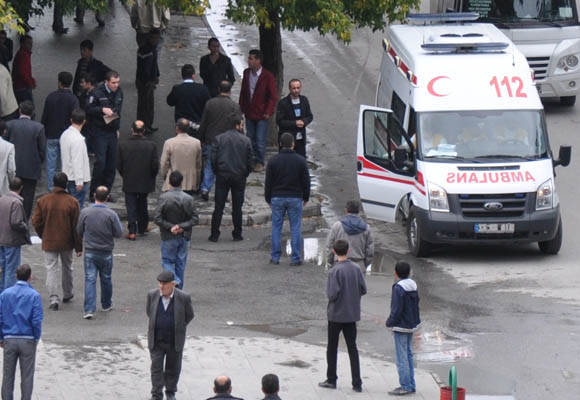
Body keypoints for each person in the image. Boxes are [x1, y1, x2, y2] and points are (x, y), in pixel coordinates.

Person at [319, 239, 367, 392]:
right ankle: (357, 383)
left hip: (336, 315)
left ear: (334, 252)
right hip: (351, 314)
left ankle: (332, 379)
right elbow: (363, 289)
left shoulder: (335, 271)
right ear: (347, 251)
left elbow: (332, 295)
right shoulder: (356, 268)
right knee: (352, 348)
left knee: (332, 347)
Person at [32, 172, 82, 311]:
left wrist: (43, 234)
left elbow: (36, 221)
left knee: (51, 268)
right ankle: (68, 293)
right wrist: (78, 246)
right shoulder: (72, 202)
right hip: (66, 241)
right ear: (66, 184)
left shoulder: (43, 201)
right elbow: (76, 227)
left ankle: (53, 298)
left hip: (49, 240)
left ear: (53, 183)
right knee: (68, 267)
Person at [76, 186, 123, 319]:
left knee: (90, 279)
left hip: (90, 250)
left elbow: (79, 230)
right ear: (107, 198)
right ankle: (106, 304)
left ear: (94, 195)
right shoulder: (111, 214)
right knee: (106, 278)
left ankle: (89, 309)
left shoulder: (85, 212)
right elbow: (119, 233)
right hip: (106, 251)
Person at [147, 270, 194, 400]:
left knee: (173, 368)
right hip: (157, 340)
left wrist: (178, 327)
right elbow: (149, 313)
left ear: (173, 284)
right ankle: (156, 394)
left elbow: (189, 315)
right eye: (159, 283)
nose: (161, 287)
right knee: (156, 368)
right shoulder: (152, 295)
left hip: (174, 341)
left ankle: (170, 392)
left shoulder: (184, 297)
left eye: (164, 284)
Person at [264, 133, 310, 266]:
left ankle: (275, 257)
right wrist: (306, 197)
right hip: (295, 197)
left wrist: (268, 198)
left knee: (276, 227)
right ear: (293, 144)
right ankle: (295, 258)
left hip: (277, 197)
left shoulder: (273, 161)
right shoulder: (300, 161)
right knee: (295, 227)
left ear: (280, 144)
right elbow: (306, 181)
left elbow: (268, 182)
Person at [209, 111, 254, 242]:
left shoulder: (219, 139)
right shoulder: (246, 141)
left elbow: (213, 159)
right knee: (237, 207)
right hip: (239, 176)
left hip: (223, 175)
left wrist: (217, 171)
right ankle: (237, 233)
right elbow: (251, 160)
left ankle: (214, 234)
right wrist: (245, 172)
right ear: (238, 125)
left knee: (218, 207)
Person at [0, 264, 42, 400]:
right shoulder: (34, 296)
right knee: (27, 377)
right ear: (30, 277)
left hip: (9, 338)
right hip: (28, 339)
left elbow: (0, 317)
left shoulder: (5, 294)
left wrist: (1, 337)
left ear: (16, 276)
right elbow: (36, 320)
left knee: (7, 376)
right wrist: (36, 337)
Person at [154, 171, 198, 289]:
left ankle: (176, 280)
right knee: (181, 264)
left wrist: (171, 227)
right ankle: (179, 290)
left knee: (167, 261)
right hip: (184, 236)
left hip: (168, 236)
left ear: (169, 182)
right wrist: (181, 227)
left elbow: (157, 218)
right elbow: (195, 219)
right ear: (181, 182)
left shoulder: (164, 198)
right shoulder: (188, 198)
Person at [198, 80, 240, 201]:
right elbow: (238, 124)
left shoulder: (210, 103)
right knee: (225, 166)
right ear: (230, 91)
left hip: (211, 139)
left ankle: (205, 188)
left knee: (209, 164)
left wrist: (201, 138)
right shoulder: (234, 106)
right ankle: (223, 191)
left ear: (218, 90)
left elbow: (204, 123)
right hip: (228, 141)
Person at [117, 120, 159, 240]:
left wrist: (125, 174)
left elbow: (119, 165)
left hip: (129, 179)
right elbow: (155, 165)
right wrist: (152, 176)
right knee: (143, 203)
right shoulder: (151, 145)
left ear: (132, 130)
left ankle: (132, 231)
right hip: (145, 180)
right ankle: (142, 226)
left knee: (131, 205)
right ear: (144, 131)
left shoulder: (123, 145)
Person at [86, 70, 124, 201]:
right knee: (100, 163)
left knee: (111, 164)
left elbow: (118, 111)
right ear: (107, 82)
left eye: (118, 82)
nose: (116, 85)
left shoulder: (119, 92)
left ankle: (106, 192)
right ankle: (94, 192)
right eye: (113, 83)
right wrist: (101, 110)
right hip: (99, 132)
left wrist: (117, 127)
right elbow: (88, 109)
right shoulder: (96, 93)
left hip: (112, 132)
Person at [5, 101, 46, 219]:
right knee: (28, 198)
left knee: (11, 194)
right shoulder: (39, 127)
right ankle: (24, 219)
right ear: (32, 113)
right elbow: (42, 150)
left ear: (20, 111)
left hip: (14, 167)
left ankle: (11, 217)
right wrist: (38, 162)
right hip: (31, 169)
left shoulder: (10, 125)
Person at [239, 49, 278, 172]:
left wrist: (268, 111)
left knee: (260, 139)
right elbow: (244, 92)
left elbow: (273, 96)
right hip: (249, 112)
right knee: (250, 138)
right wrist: (241, 108)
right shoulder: (246, 73)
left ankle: (260, 162)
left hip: (262, 114)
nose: (248, 61)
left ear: (258, 61)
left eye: (251, 58)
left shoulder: (267, 76)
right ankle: (251, 161)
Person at [386, 261, 421, 396]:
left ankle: (405, 385)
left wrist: (389, 323)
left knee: (402, 357)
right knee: (408, 354)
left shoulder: (398, 288)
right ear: (409, 272)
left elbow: (396, 310)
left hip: (401, 326)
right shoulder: (413, 285)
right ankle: (411, 384)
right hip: (411, 324)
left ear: (395, 273)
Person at [41, 71, 80, 192]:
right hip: (67, 136)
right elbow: (76, 118)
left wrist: (45, 130)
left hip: (52, 134)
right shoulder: (73, 99)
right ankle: (64, 187)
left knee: (51, 164)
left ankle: (52, 188)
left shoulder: (51, 96)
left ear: (59, 82)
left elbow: (45, 117)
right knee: (65, 164)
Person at [326, 200, 374, 271]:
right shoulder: (366, 228)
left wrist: (330, 262)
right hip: (358, 265)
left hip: (339, 264)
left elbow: (330, 246)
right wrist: (365, 264)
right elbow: (370, 250)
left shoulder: (337, 226)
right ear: (358, 211)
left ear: (346, 210)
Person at [0, 178, 30, 293]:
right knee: (11, 270)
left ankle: (1, 294)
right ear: (21, 188)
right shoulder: (16, 202)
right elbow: (16, 222)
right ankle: (8, 295)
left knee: (2, 269)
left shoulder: (1, 199)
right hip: (12, 240)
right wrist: (25, 227)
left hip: (1, 238)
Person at [166, 64, 210, 139]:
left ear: (182, 76)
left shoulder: (177, 89)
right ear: (193, 76)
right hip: (196, 126)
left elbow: (170, 102)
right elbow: (208, 105)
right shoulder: (202, 89)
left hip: (181, 126)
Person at [160, 119, 202, 195]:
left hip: (173, 181)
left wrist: (164, 175)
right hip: (190, 181)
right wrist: (197, 180)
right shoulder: (196, 142)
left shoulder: (169, 142)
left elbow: (164, 163)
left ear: (177, 128)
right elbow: (198, 164)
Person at [60, 108, 91, 206]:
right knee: (76, 210)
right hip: (76, 180)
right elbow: (77, 162)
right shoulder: (78, 140)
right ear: (84, 121)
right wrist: (79, 181)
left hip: (67, 176)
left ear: (71, 120)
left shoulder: (65, 134)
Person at [276, 79, 313, 158]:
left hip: (301, 139)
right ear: (289, 89)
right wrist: (295, 123)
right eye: (294, 88)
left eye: (298, 88)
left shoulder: (304, 100)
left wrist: (304, 122)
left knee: (301, 161)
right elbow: (279, 121)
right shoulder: (283, 103)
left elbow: (310, 116)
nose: (296, 90)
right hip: (288, 140)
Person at [136, 29, 161, 133]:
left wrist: (157, 75)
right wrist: (151, 80)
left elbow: (154, 65)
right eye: (153, 38)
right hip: (145, 82)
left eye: (156, 38)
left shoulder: (150, 49)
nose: (155, 40)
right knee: (146, 105)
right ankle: (144, 126)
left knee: (146, 105)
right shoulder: (147, 50)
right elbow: (146, 68)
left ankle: (146, 125)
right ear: (149, 38)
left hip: (145, 81)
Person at [11, 35, 35, 105]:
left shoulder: (22, 54)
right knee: (29, 111)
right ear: (22, 44)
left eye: (31, 43)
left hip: (18, 86)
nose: (30, 46)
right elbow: (23, 72)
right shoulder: (23, 55)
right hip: (23, 87)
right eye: (28, 43)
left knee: (20, 110)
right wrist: (30, 82)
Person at [0, 121, 15, 195]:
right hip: (2, 185)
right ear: (4, 131)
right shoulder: (9, 146)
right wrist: (12, 181)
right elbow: (11, 169)